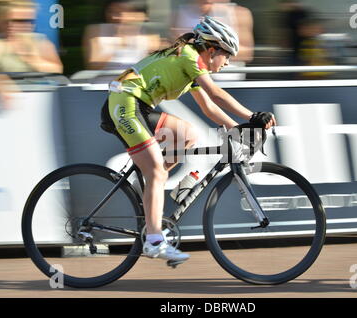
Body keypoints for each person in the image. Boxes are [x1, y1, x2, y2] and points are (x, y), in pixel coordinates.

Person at [101, 16, 276, 263]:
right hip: (125, 104)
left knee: (187, 135)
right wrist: (253, 116)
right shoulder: (189, 56)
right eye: (227, 56)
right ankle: (153, 242)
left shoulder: (190, 64)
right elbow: (216, 94)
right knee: (157, 173)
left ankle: (152, 191)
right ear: (212, 49)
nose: (227, 63)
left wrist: (237, 128)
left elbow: (208, 107)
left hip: (138, 105)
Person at [0, 0, 63, 108]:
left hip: (38, 102)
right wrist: (2, 84)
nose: (13, 26)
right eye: (8, 21)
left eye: (22, 21)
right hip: (0, 103)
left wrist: (32, 59)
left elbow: (57, 68)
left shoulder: (40, 42)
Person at [83, 0, 161, 70]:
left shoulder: (149, 35)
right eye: (112, 11)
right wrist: (120, 41)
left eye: (122, 12)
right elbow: (93, 66)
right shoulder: (96, 31)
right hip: (103, 82)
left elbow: (156, 67)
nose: (114, 17)